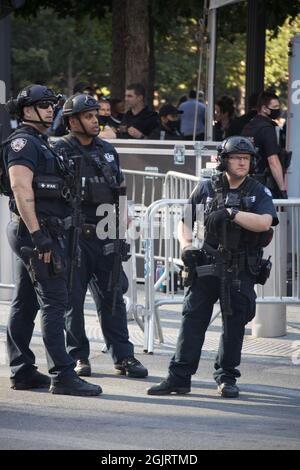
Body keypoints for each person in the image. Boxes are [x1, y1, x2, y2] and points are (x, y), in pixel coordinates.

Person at [147, 136, 278, 398]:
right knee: (192, 320)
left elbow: (265, 222)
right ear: (224, 160)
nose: (242, 162)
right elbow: (184, 221)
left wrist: (232, 214)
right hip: (208, 263)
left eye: (247, 158)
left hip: (241, 266)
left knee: (234, 324)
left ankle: (226, 377)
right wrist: (185, 246)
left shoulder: (257, 190)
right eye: (237, 157)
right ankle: (179, 378)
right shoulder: (207, 188)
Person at [2, 84, 101, 396]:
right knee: (55, 301)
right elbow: (21, 189)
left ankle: (23, 371)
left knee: (25, 300)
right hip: (36, 232)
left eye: (51, 105)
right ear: (26, 110)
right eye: (43, 105)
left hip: (40, 231)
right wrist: (40, 238)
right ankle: (63, 374)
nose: (50, 109)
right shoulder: (22, 144)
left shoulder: (40, 142)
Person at [53, 93, 148, 378]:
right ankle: (78, 356)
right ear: (72, 121)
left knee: (113, 298)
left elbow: (120, 190)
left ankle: (124, 357)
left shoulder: (107, 150)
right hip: (73, 236)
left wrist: (120, 234)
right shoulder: (59, 151)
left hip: (107, 233)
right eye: (89, 116)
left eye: (97, 115)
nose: (96, 121)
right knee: (73, 300)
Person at [241, 90, 288, 199]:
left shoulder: (249, 125)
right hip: (263, 184)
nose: (278, 110)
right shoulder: (267, 128)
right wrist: (282, 189)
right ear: (264, 108)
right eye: (275, 107)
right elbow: (273, 161)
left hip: (246, 182)